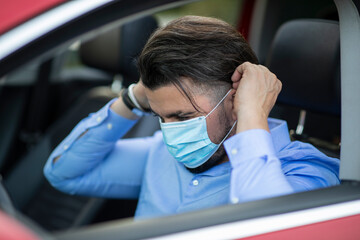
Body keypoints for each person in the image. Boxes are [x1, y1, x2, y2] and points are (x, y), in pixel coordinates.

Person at [44, 16, 340, 219]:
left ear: (236, 98)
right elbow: (64, 173)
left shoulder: (308, 172)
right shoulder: (164, 152)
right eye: (161, 116)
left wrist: (251, 114)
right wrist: (132, 99)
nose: (171, 132)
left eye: (183, 116)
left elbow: (273, 230)